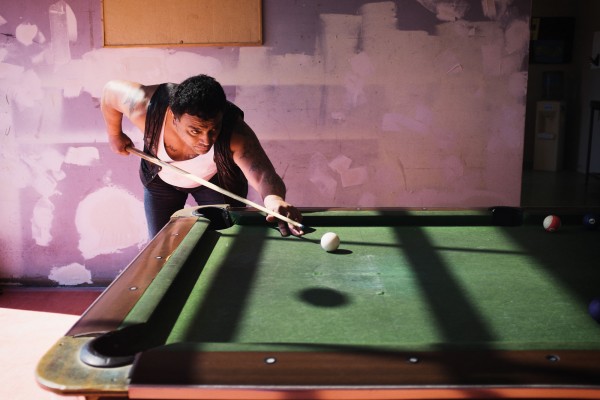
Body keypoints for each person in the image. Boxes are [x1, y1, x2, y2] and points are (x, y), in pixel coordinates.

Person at [101, 74, 304, 238]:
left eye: (213, 129)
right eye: (195, 131)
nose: (206, 141)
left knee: (228, 239)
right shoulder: (144, 108)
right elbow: (110, 92)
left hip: (215, 180)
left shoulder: (235, 133)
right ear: (173, 116)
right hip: (160, 180)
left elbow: (262, 174)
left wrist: (273, 198)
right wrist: (114, 134)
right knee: (159, 244)